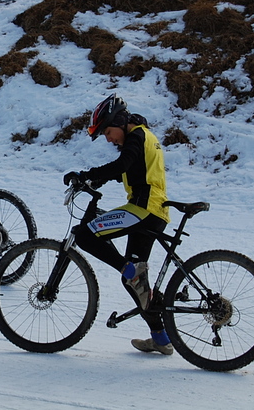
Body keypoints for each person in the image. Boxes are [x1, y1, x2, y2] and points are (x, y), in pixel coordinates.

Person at [63, 93, 173, 356]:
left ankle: (129, 270)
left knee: (85, 234)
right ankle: (161, 338)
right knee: (135, 281)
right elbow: (131, 169)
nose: (108, 138)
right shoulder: (145, 137)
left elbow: (123, 164)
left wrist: (88, 175)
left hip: (143, 209)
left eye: (108, 131)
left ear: (120, 122)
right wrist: (98, 180)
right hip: (155, 212)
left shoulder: (136, 137)